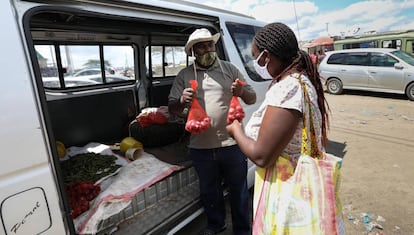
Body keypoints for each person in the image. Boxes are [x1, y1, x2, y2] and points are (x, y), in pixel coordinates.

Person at [226, 22, 343, 234]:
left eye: (255, 57)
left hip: (290, 190)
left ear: (267, 56)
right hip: (304, 184)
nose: (255, 63)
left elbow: (262, 156)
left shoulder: (288, 88)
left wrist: (236, 130)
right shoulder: (301, 80)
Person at [168, 28, 257, 235]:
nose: (207, 49)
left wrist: (241, 91)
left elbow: (251, 97)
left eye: (210, 44)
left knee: (239, 192)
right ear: (193, 51)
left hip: (232, 145)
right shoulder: (185, 75)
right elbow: (172, 108)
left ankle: (243, 230)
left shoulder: (230, 69)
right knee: (210, 192)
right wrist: (182, 101)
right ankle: (216, 225)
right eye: (201, 46)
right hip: (201, 148)